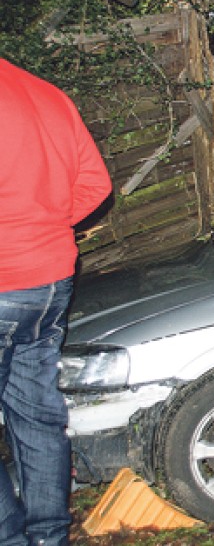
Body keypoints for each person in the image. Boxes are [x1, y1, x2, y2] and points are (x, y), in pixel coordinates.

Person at [0, 58, 112, 545]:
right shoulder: (44, 92)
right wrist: (40, 222)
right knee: (38, 418)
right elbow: (96, 185)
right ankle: (48, 538)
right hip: (48, 281)